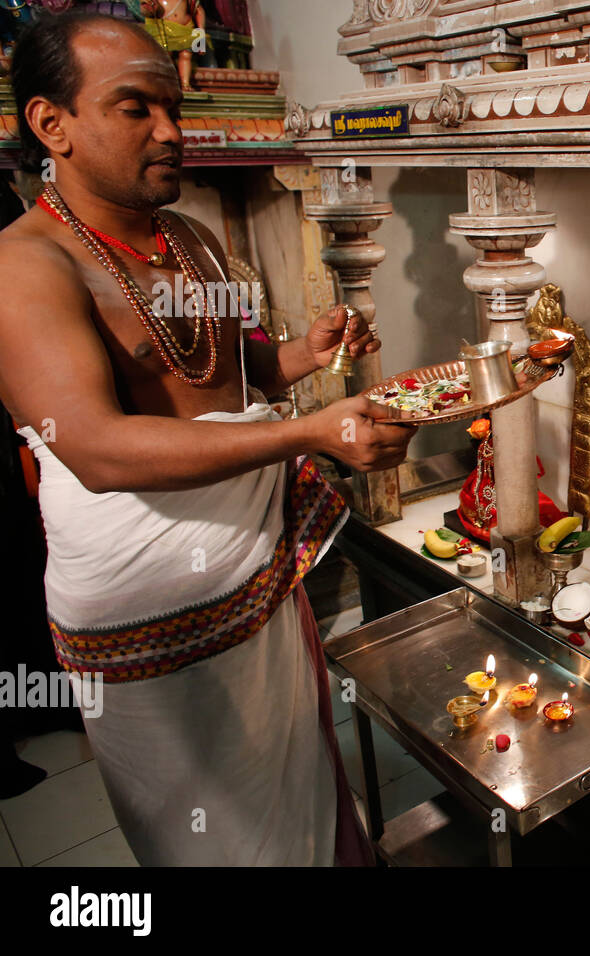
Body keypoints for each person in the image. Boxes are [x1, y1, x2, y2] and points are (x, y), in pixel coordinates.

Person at [0, 11, 415, 864]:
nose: (171, 132)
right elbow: (97, 449)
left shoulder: (186, 240)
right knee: (213, 839)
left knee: (298, 800)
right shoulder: (24, 268)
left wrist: (309, 351)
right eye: (135, 108)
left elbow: (235, 375)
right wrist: (314, 431)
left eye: (175, 108)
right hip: (147, 619)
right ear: (53, 125)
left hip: (253, 583)